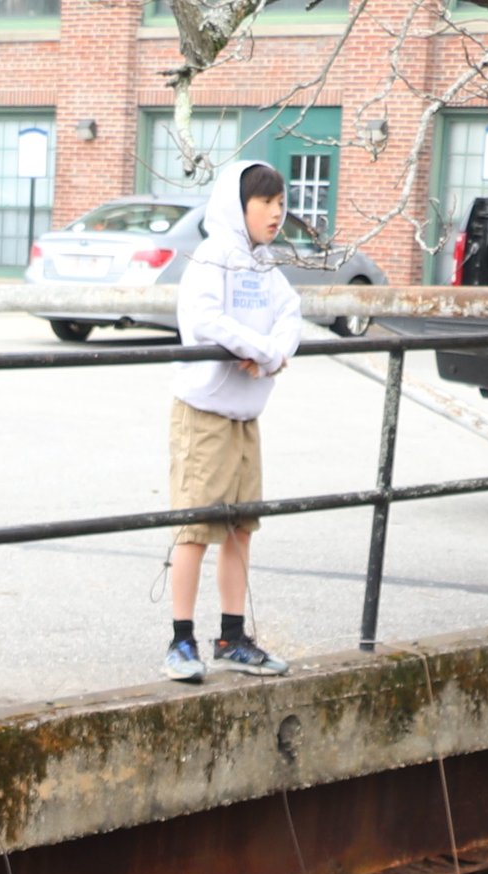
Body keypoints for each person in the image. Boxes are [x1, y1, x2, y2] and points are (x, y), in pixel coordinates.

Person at [164, 158, 301, 684]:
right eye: (264, 202)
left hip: (247, 415)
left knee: (241, 530)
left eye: (280, 203)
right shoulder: (213, 256)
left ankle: (232, 637)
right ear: (237, 205)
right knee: (195, 529)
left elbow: (292, 313)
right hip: (204, 413)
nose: (275, 213)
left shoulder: (264, 263)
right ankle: (180, 640)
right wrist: (259, 347)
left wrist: (268, 355)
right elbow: (203, 321)